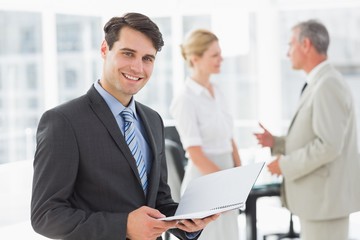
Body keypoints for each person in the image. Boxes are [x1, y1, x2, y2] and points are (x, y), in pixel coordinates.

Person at [31, 12, 218, 240]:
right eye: (128, 54)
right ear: (104, 50)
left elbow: (159, 200)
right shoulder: (63, 122)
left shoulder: (153, 120)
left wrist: (187, 220)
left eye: (147, 58)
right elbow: (45, 216)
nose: (137, 68)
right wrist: (124, 226)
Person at [254, 19, 360, 240]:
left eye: (290, 44)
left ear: (306, 45)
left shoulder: (327, 84)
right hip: (320, 203)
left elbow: (329, 146)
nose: (287, 52)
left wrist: (284, 164)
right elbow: (316, 136)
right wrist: (277, 143)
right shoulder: (320, 82)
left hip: (325, 203)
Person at [170, 29, 241, 240]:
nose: (221, 59)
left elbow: (230, 138)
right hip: (206, 182)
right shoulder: (185, 99)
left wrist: (239, 176)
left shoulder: (218, 91)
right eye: (215, 55)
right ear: (195, 59)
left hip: (226, 177)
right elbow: (195, 153)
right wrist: (226, 184)